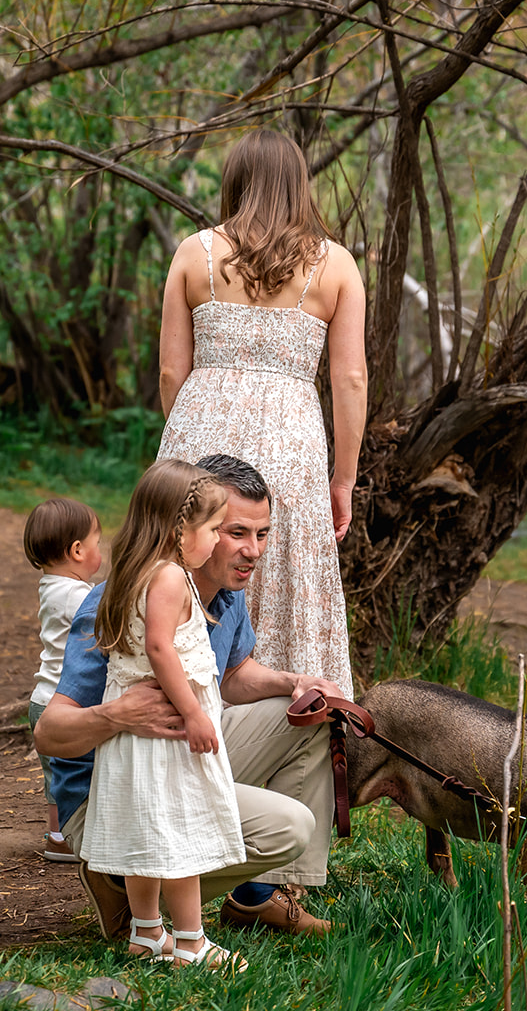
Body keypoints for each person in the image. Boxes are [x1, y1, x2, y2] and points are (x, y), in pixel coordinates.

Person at [33, 454, 342, 940]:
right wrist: (116, 715)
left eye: (262, 534)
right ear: (189, 525)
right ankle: (126, 885)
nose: (253, 550)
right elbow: (49, 735)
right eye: (234, 531)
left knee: (309, 716)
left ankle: (258, 897)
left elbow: (231, 675)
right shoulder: (119, 599)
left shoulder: (225, 589)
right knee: (289, 827)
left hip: (177, 751)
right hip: (113, 788)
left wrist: (294, 682)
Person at [157, 128, 367, 700]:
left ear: (235, 183)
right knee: (281, 572)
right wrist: (343, 479)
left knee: (186, 564)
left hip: (199, 432)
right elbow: (350, 380)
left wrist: (186, 431)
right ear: (299, 186)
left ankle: (175, 711)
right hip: (291, 443)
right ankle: (290, 718)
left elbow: (172, 372)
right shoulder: (337, 265)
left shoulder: (194, 252)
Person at [77, 459, 246, 967]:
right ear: (179, 529)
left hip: (140, 737)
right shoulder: (171, 576)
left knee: (147, 833)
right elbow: (159, 647)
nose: (217, 541)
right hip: (169, 731)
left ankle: (148, 931)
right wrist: (193, 712)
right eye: (213, 529)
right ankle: (192, 941)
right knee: (181, 835)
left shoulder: (135, 571)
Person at [22, 497, 102, 863]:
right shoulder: (78, 595)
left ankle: (57, 834)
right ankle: (69, 835)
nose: (101, 550)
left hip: (42, 698)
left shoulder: (50, 586)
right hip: (64, 702)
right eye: (98, 542)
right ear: (77, 550)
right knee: (76, 770)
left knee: (55, 775)